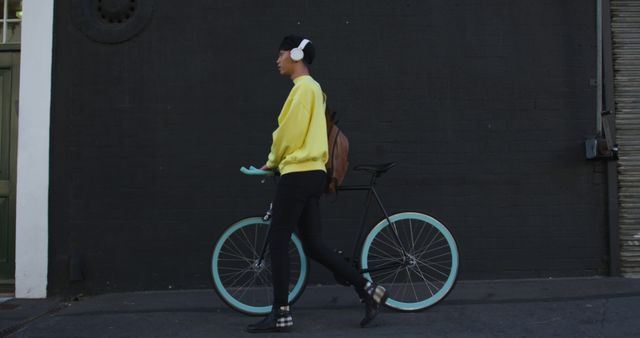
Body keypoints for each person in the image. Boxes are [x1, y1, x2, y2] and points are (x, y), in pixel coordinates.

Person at [246, 35, 388, 334]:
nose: (277, 60)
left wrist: (272, 160)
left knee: (278, 241)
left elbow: (288, 133)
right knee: (313, 244)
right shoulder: (316, 90)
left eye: (281, 53)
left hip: (297, 173)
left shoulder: (303, 90)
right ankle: (369, 289)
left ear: (296, 54)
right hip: (313, 175)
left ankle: (281, 313)